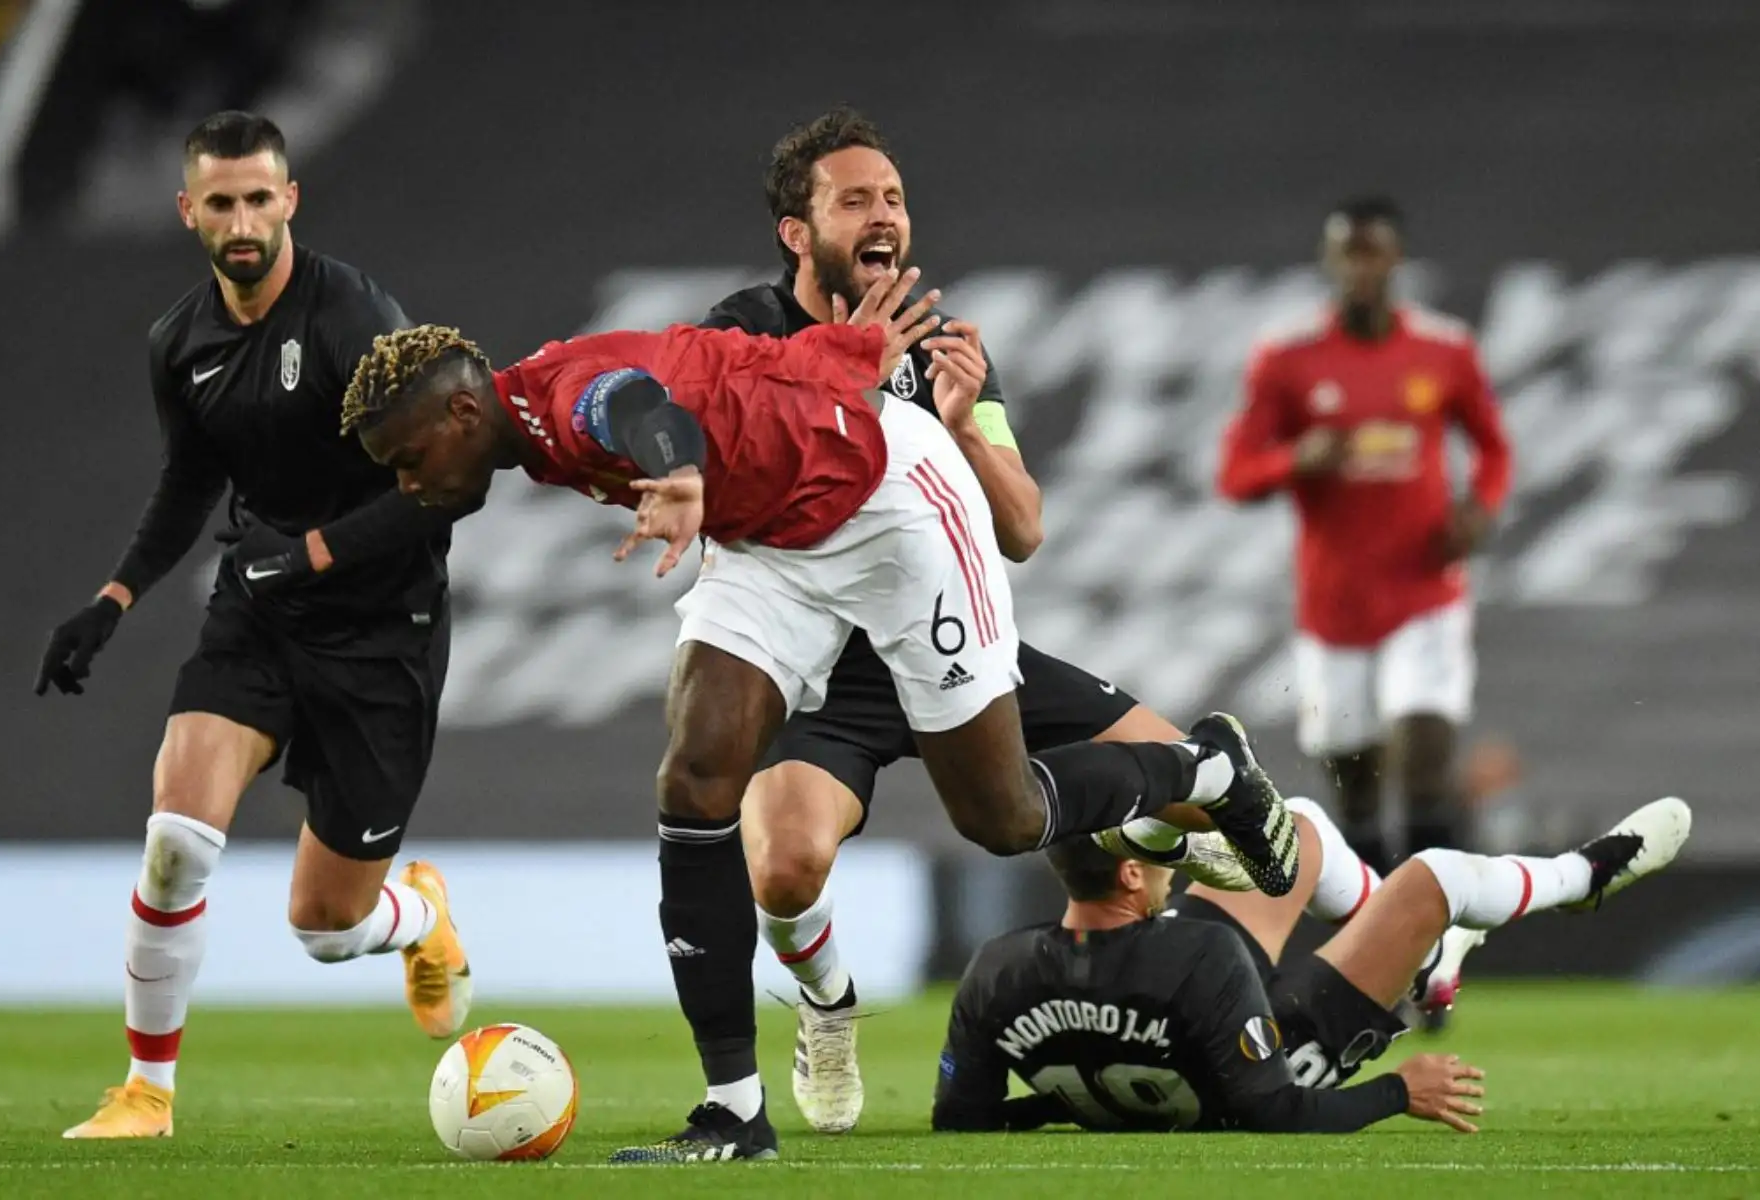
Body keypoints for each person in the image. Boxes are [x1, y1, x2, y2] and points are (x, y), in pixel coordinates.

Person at [341, 277, 1301, 1164]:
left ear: (462, 413)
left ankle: (1203, 770)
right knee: (694, 782)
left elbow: (639, 404)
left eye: (410, 459)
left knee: (1002, 818)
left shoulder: (563, 401)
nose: (411, 482)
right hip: (769, 538)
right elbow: (726, 375)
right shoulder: (517, 413)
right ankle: (734, 1110)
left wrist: (676, 475)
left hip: (889, 503)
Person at [695, 107, 1241, 1137]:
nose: (884, 215)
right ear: (796, 232)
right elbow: (751, 471)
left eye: (893, 197)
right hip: (825, 662)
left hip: (958, 640)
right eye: (853, 200)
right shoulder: (742, 334)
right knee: (783, 864)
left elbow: (1024, 528)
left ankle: (1401, 931)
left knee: (1219, 796)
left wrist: (960, 426)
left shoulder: (947, 351)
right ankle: (824, 1003)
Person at [33, 112, 470, 1140]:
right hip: (262, 609)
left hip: (382, 625)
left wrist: (313, 552)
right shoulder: (178, 342)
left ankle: (419, 917)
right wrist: (113, 599)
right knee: (177, 840)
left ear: (289, 202)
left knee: (326, 929)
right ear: (190, 211)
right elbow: (190, 482)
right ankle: (146, 1093)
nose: (241, 220)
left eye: (257, 198)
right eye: (220, 202)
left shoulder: (355, 319)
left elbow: (445, 485)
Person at [934, 795, 1690, 1133]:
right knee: (1437, 877)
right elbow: (1275, 1111)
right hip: (1278, 1055)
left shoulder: (998, 966)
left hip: (1187, 1018)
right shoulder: (1199, 950)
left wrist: (1077, 1106)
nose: (1174, 856)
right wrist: (1400, 1091)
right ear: (1132, 877)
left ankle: (1421, 960)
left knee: (1290, 833)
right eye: (1159, 850)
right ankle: (1581, 881)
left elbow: (964, 1119)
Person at [1218, 196, 1514, 870]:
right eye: (1347, 252)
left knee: (1425, 755)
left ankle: (1442, 929)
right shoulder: (1288, 361)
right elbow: (1235, 475)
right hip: (1335, 608)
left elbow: (1494, 448)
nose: (1360, 267)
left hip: (1424, 592)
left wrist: (1481, 508)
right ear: (1330, 261)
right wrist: (1297, 459)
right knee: (1356, 789)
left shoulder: (1444, 351)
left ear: (1396, 258)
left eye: (1372, 251)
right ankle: (1376, 933)